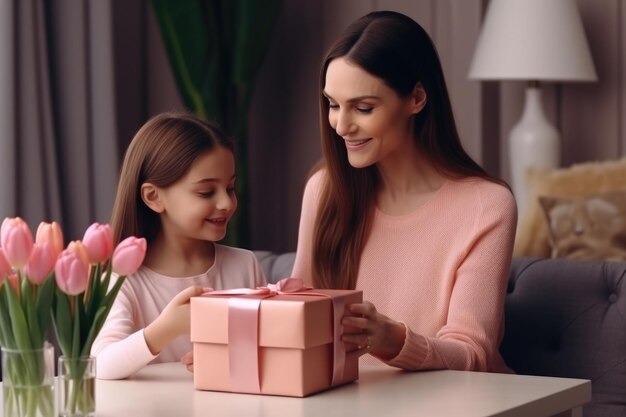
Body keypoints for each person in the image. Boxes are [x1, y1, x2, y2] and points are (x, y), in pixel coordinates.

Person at [292, 11, 517, 372]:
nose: (342, 125)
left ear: (416, 98)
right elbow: (297, 313)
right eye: (333, 105)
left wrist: (395, 339)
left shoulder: (487, 205)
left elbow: (473, 354)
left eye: (363, 108)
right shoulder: (324, 190)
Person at [91, 113, 266, 379]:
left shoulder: (245, 266)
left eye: (230, 188)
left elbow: (267, 347)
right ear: (153, 197)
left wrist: (232, 358)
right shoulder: (122, 282)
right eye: (206, 192)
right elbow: (101, 365)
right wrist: (167, 328)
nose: (227, 203)